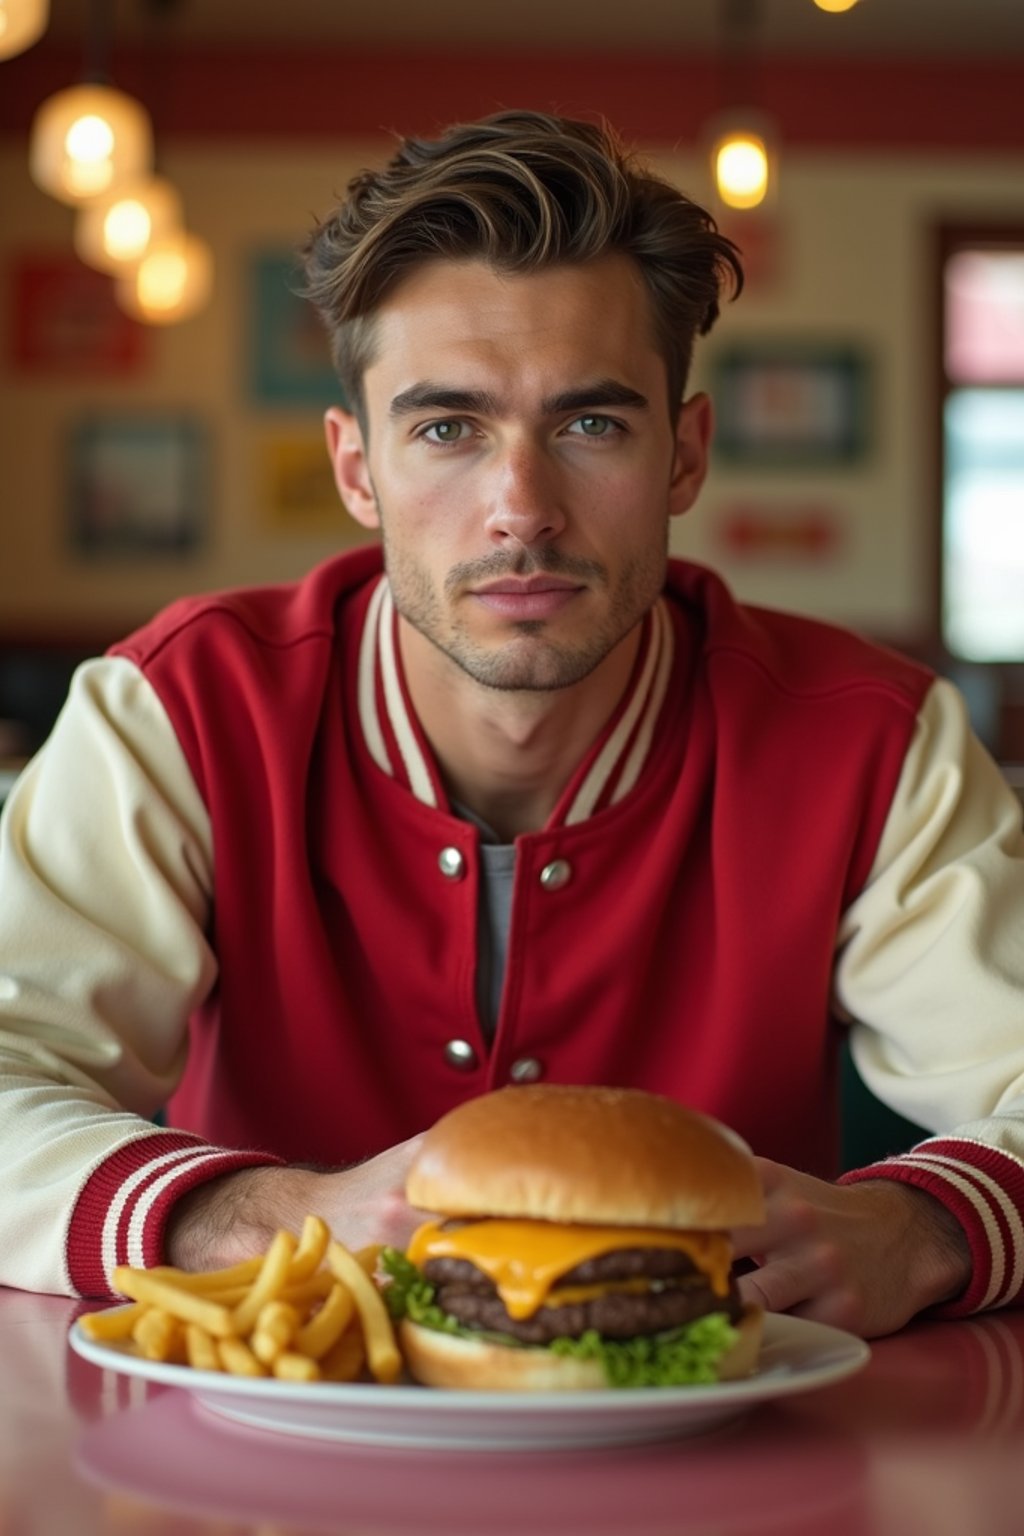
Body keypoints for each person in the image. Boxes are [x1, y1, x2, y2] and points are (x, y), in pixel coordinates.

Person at [2, 111, 1023, 1339]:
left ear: (684, 455)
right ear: (356, 466)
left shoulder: (868, 740)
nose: (520, 509)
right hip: (250, 1474)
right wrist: (260, 1215)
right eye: (447, 428)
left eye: (590, 424)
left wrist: (922, 1227)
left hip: (732, 1464)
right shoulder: (178, 709)